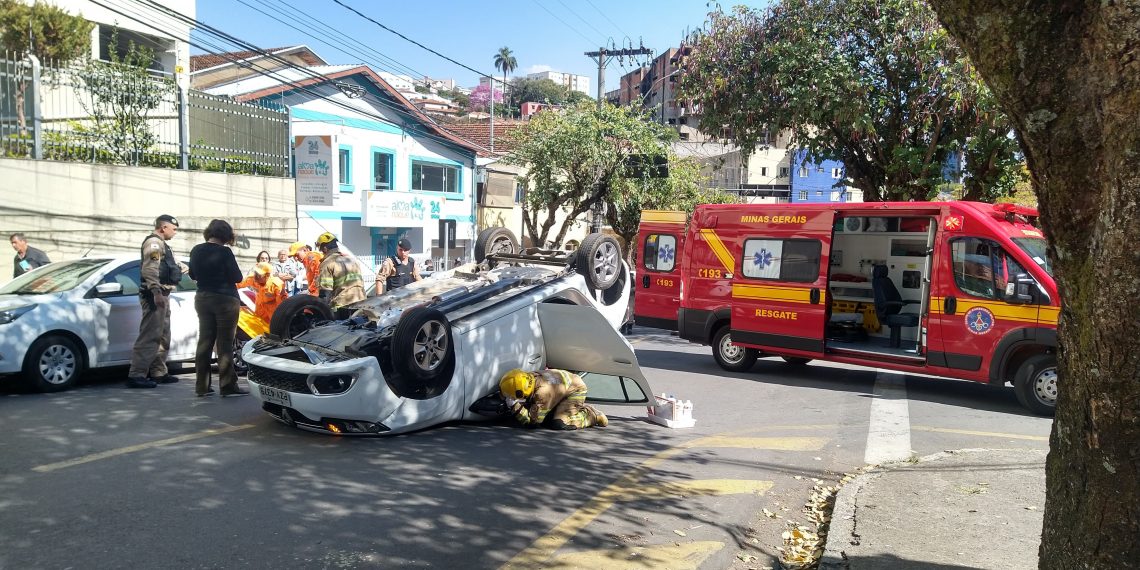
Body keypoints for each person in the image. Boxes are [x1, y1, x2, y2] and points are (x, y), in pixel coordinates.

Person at [187, 219, 247, 397]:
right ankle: (227, 385)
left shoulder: (196, 250)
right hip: (225, 299)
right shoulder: (225, 252)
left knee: (204, 342)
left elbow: (192, 274)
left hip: (202, 297)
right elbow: (237, 277)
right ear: (226, 234)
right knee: (225, 343)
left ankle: (202, 386)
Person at [126, 215, 184, 389]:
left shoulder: (163, 244)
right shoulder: (154, 244)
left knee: (162, 335)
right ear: (163, 227)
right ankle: (136, 374)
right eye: (173, 229)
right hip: (154, 295)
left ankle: (159, 371)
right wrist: (156, 292)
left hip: (163, 293)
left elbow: (167, 266)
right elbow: (150, 269)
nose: (175, 233)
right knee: (150, 335)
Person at [498, 368, 608, 430]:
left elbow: (533, 422)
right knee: (547, 416)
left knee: (558, 423)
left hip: (575, 390)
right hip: (563, 388)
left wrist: (514, 405)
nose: (509, 398)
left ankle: (591, 415)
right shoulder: (528, 377)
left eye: (511, 396)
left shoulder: (543, 394)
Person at [314, 232, 366, 317]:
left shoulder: (327, 263)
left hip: (342, 307)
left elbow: (325, 292)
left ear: (325, 249)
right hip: (361, 304)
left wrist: (320, 312)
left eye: (321, 250)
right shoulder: (352, 260)